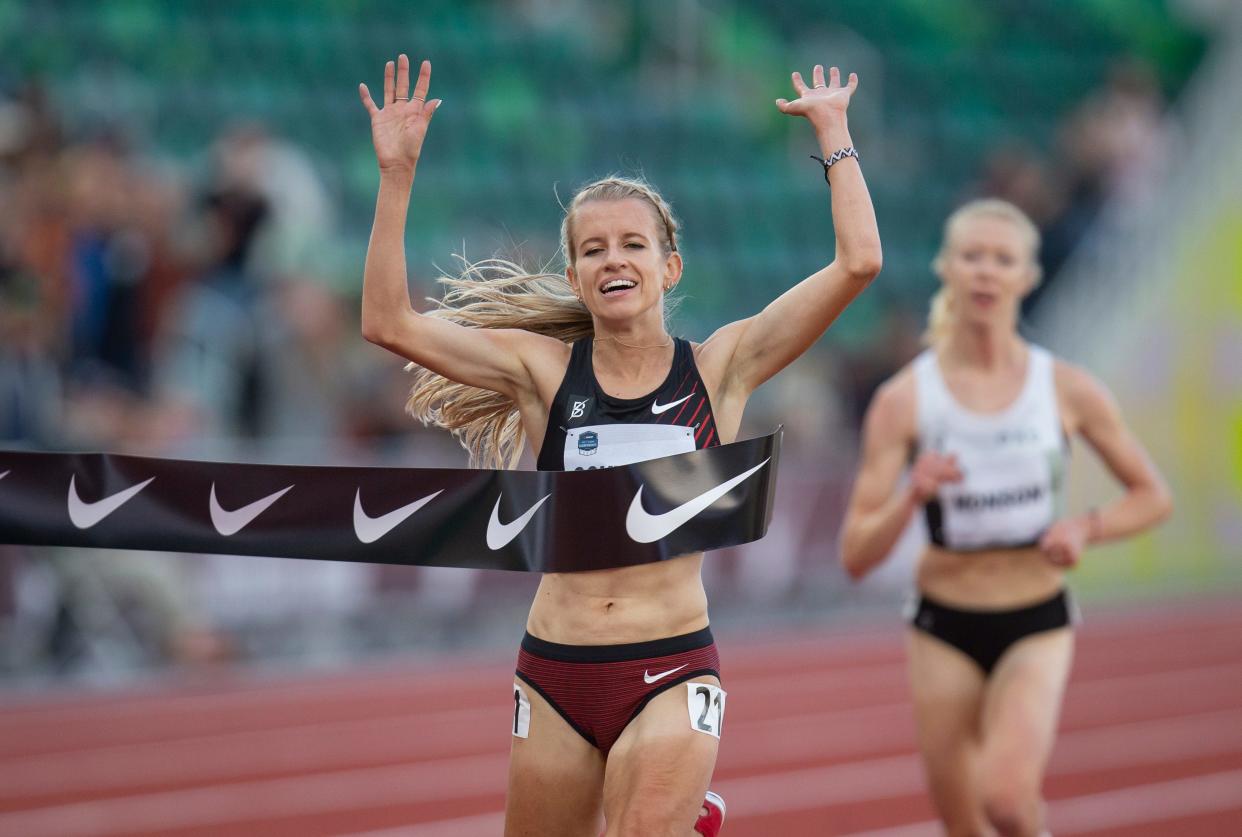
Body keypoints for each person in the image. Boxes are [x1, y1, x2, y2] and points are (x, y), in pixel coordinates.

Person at [357, 54, 880, 837]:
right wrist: (396, 174)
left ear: (668, 266)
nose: (614, 260)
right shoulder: (540, 374)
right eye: (594, 249)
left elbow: (858, 262)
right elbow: (388, 323)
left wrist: (834, 134)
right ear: (574, 275)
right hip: (555, 669)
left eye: (632, 245)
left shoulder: (720, 368)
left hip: (670, 662)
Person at [839, 198, 1172, 837]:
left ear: (1027, 277)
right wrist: (912, 494)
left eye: (1003, 260)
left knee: (1010, 803)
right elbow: (855, 553)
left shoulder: (1066, 387)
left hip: (1035, 619)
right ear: (947, 270)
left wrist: (1085, 528)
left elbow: (1151, 495)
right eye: (972, 257)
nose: (986, 272)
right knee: (964, 826)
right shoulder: (905, 400)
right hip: (942, 625)